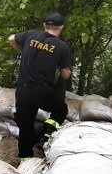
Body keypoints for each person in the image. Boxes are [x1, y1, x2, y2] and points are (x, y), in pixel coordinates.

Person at [8, 12, 73, 162]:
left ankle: (25, 158)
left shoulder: (31, 35)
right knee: (60, 110)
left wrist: (23, 51)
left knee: (25, 124)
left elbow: (11, 38)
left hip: (23, 89)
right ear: (61, 27)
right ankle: (46, 133)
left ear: (44, 25)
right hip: (42, 91)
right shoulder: (62, 46)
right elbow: (65, 75)